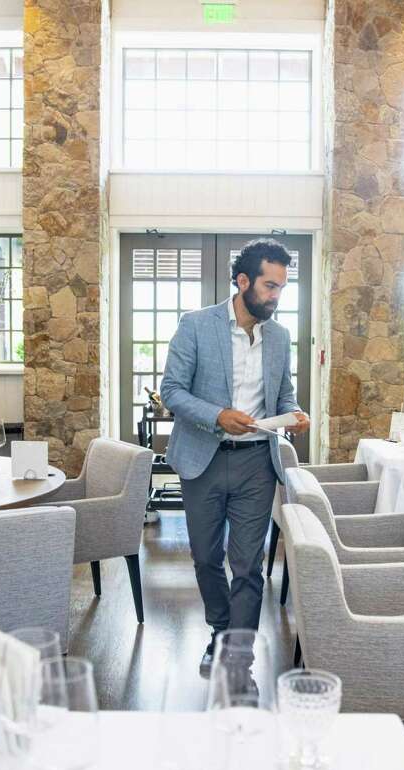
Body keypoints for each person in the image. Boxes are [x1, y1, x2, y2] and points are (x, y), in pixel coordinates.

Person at [159, 238, 310, 676]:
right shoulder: (196, 325)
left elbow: (283, 395)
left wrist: (294, 414)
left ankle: (238, 654)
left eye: (281, 287)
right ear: (242, 281)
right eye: (269, 286)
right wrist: (217, 416)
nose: (276, 296)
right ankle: (220, 631)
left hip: (255, 465)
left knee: (247, 564)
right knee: (207, 558)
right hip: (202, 459)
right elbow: (172, 392)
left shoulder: (279, 337)